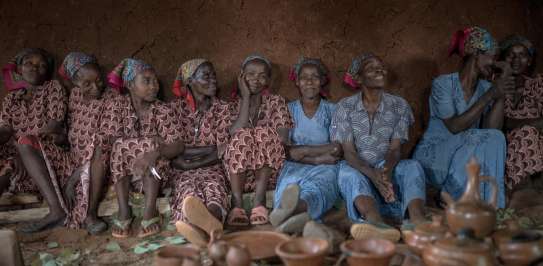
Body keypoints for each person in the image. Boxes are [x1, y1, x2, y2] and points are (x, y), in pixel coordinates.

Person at [413, 26, 512, 209]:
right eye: (493, 57)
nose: (494, 63)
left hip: (463, 158)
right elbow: (454, 127)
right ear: (476, 53)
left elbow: (493, 131)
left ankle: (491, 207)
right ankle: (450, 195)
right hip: (434, 157)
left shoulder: (485, 87)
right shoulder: (443, 84)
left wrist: (501, 93)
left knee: (497, 138)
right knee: (474, 135)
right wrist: (491, 94)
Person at [332, 53, 426, 242]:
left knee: (413, 166)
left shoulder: (399, 105)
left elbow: (395, 149)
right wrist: (373, 176)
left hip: (386, 165)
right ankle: (375, 222)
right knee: (347, 173)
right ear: (358, 79)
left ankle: (417, 222)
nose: (379, 70)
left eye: (381, 67)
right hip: (358, 165)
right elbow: (349, 152)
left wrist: (386, 171)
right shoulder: (345, 107)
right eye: (371, 68)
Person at [104, 58, 185, 238]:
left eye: (155, 81)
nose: (154, 86)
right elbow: (110, 139)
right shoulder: (117, 106)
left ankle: (150, 211)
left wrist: (153, 153)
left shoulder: (162, 110)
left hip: (157, 176)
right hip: (125, 175)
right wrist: (141, 143)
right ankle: (124, 211)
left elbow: (178, 145)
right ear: (131, 85)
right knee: (121, 145)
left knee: (151, 145)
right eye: (146, 81)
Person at [0, 48, 69, 232]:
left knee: (24, 143)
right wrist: (18, 151)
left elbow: (54, 124)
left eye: (41, 65)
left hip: (48, 154)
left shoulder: (53, 88)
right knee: (7, 168)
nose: (34, 68)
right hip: (19, 158)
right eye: (29, 63)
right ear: (20, 69)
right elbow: (5, 129)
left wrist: (23, 146)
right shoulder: (11, 99)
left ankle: (57, 210)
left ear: (47, 72)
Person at [270, 57, 340, 234]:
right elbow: (283, 149)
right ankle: (296, 217)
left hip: (326, 166)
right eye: (304, 77)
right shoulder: (288, 109)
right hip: (296, 166)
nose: (309, 81)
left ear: (322, 81)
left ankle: (291, 214)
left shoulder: (333, 110)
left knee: (318, 189)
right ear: (297, 82)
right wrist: (316, 159)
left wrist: (304, 150)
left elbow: (338, 148)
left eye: (315, 77)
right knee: (290, 188)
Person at [168, 59, 232, 246]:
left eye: (214, 75)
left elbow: (221, 148)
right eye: (206, 76)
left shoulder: (222, 108)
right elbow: (174, 148)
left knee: (216, 190)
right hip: (183, 172)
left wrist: (189, 160)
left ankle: (201, 227)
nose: (213, 80)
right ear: (189, 81)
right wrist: (208, 150)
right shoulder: (174, 109)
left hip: (212, 168)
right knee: (188, 194)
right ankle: (208, 228)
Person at [224, 54, 293, 226]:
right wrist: (246, 97)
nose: (256, 79)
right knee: (242, 134)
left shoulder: (276, 102)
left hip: (269, 174)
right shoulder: (231, 105)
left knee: (263, 133)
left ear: (268, 81)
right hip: (238, 176)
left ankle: (259, 201)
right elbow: (234, 133)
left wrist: (258, 139)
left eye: (262, 75)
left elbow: (283, 137)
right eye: (251, 74)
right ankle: (237, 204)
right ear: (241, 77)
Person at [500, 35, 543, 195]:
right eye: (511, 55)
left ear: (530, 61)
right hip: (503, 141)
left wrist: (513, 124)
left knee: (526, 133)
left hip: (535, 140)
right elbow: (495, 123)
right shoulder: (496, 84)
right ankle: (522, 194)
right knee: (525, 133)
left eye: (522, 55)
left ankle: (523, 193)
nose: (516, 60)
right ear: (504, 59)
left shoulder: (538, 83)